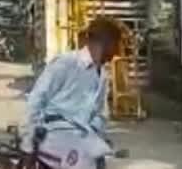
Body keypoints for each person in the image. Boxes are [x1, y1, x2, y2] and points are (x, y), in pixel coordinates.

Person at [20, 17, 122, 145]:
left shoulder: (103, 75)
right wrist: (27, 140)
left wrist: (95, 135)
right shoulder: (67, 63)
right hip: (54, 139)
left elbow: (101, 113)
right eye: (115, 45)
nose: (116, 52)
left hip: (81, 144)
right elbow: (37, 99)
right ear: (103, 43)